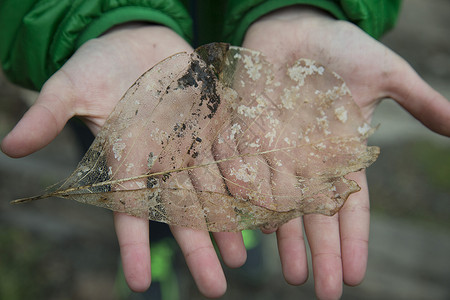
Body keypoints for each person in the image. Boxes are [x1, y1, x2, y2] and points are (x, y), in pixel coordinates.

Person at [1, 1, 449, 299]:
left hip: (234, 34)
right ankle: (174, 239)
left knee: (222, 160)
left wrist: (300, 5)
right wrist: (104, 15)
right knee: (145, 164)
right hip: (141, 81)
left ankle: (244, 210)